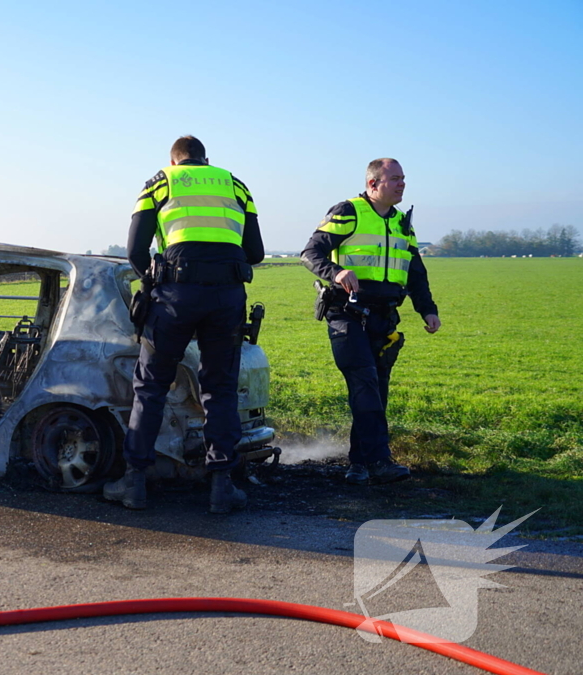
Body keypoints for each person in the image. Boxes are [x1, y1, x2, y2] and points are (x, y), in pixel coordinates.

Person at [103, 135, 265, 513]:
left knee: (151, 388)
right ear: (206, 160)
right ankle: (222, 487)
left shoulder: (160, 182)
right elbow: (255, 252)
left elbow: (134, 251)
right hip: (226, 299)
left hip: (175, 299)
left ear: (174, 161)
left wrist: (158, 279)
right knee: (220, 389)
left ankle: (134, 484)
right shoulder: (236, 185)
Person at [301, 158, 441, 485]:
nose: (402, 184)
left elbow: (416, 274)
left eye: (403, 178)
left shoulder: (402, 224)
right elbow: (310, 253)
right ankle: (379, 460)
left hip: (384, 318)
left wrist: (428, 310)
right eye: (394, 178)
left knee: (376, 390)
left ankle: (358, 464)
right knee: (365, 385)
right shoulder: (348, 211)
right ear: (373, 184)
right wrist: (337, 273)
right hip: (346, 315)